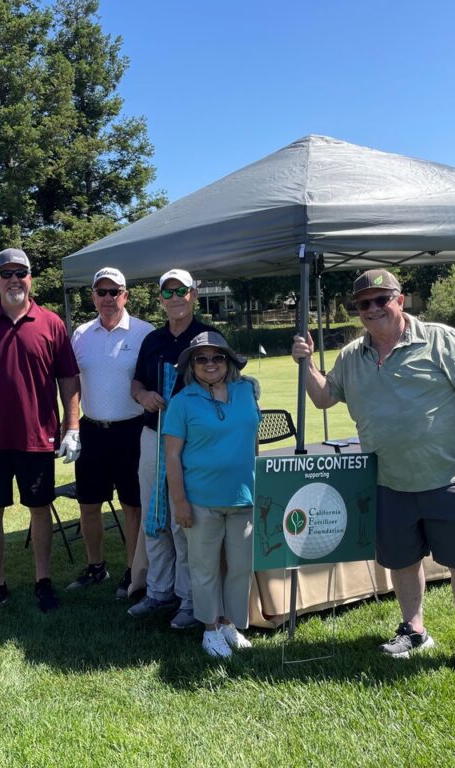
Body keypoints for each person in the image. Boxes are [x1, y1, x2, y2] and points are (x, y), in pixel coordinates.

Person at [291, 269, 455, 676]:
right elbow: (322, 398)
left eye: (381, 299)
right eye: (363, 304)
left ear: (399, 300)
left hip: (451, 477)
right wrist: (306, 363)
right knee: (402, 563)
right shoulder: (352, 355)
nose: (372, 309)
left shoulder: (440, 339)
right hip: (388, 482)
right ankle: (415, 630)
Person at [0, 247, 80, 613]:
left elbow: (69, 379)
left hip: (38, 437)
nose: (14, 280)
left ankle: (43, 581)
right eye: (6, 273)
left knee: (39, 509)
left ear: (30, 279)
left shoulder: (51, 323)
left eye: (20, 273)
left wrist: (72, 426)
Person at [128, 269, 218, 629]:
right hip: (153, 435)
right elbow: (136, 381)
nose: (176, 297)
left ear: (194, 294)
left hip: (194, 443)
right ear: (161, 299)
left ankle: (189, 598)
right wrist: (143, 395)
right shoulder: (152, 339)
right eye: (169, 292)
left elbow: (226, 383)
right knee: (155, 516)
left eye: (182, 290)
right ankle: (158, 591)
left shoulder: (208, 337)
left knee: (185, 519)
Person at [164, 331, 260, 658]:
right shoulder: (182, 402)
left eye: (217, 357)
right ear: (191, 364)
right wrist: (180, 504)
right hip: (200, 500)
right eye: (201, 358)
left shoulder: (247, 392)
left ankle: (230, 624)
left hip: (244, 498)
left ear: (228, 360)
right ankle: (209, 629)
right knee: (204, 568)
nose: (210, 363)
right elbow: (172, 457)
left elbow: (252, 441)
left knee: (240, 567)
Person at [68, 267, 152, 597]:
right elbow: (72, 381)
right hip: (92, 431)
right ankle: (96, 567)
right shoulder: (81, 334)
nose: (107, 298)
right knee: (89, 504)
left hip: (132, 430)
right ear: (93, 297)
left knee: (132, 506)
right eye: (101, 292)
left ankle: (133, 571)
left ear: (125, 296)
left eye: (114, 292)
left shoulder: (144, 333)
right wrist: (70, 425)